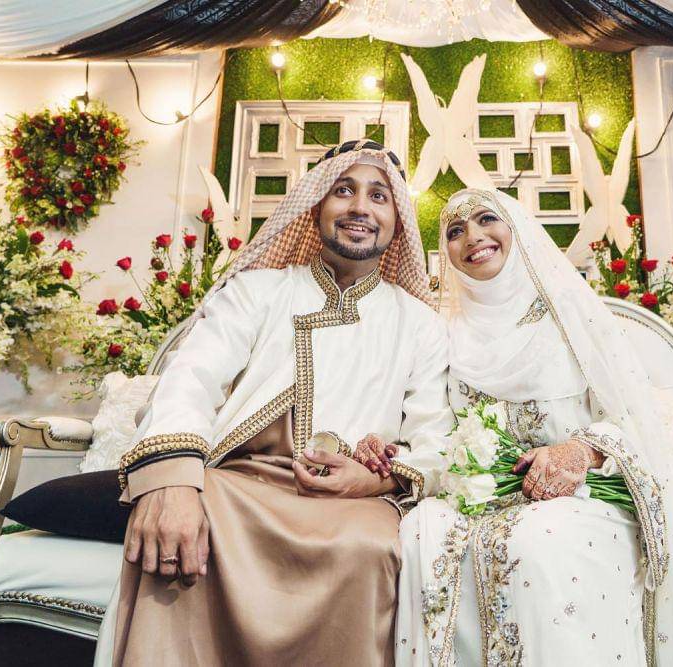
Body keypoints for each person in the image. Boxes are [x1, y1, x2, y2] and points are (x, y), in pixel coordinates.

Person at [94, 140, 453, 666]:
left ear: (397, 221)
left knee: (370, 548)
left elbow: (436, 435)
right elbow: (191, 378)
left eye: (379, 196)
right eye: (343, 190)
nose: (360, 207)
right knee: (183, 522)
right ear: (315, 206)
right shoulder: (257, 291)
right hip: (237, 483)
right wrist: (173, 483)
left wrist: (373, 481)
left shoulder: (420, 324)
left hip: (351, 503)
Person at [360, 188, 673, 666]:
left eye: (487, 219)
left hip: (583, 495)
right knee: (423, 531)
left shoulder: (570, 317)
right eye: (455, 231)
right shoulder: (446, 334)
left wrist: (579, 452)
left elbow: (630, 419)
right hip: (486, 497)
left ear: (519, 228)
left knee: (536, 539)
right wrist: (390, 452)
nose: (473, 236)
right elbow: (438, 433)